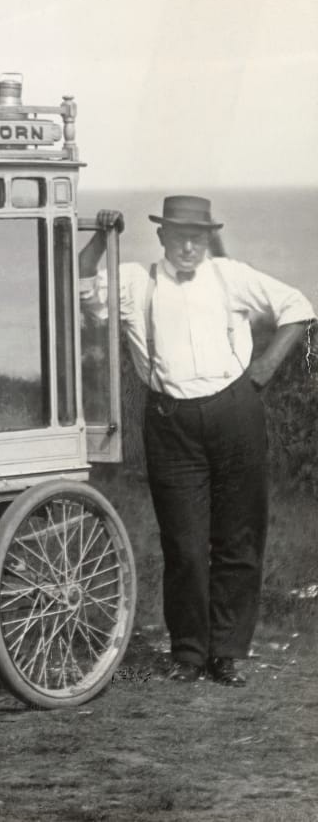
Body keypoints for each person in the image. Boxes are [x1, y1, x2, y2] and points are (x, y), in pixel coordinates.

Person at [79, 195, 314, 686]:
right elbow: (81, 289)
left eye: (197, 237)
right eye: (179, 236)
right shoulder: (135, 281)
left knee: (239, 539)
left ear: (208, 238)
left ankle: (227, 653)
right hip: (170, 422)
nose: (188, 246)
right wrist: (100, 240)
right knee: (184, 544)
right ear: (161, 236)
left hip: (236, 414)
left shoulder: (231, 276)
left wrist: (265, 368)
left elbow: (298, 307)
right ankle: (188, 654)